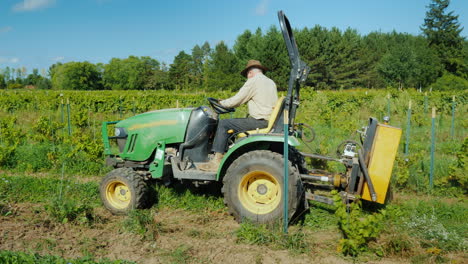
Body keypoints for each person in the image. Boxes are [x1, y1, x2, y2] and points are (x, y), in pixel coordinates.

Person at [199, 60, 278, 172]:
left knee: (224, 124)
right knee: (232, 123)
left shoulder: (254, 81)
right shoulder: (270, 82)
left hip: (259, 121)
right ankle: (225, 153)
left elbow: (237, 100)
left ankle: (216, 161)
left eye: (247, 75)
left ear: (250, 72)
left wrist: (221, 103)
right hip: (268, 119)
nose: (247, 77)